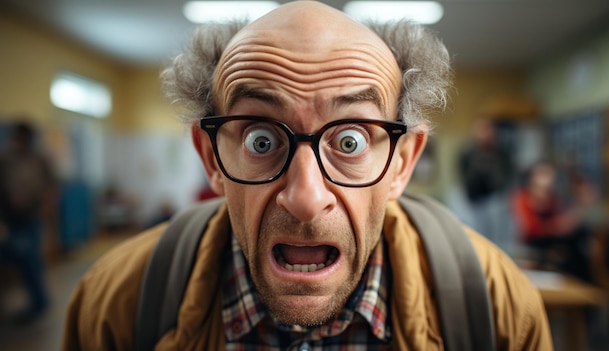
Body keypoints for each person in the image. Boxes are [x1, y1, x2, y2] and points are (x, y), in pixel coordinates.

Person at [62, 2, 552, 350]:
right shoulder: (116, 304)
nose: (305, 197)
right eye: (260, 139)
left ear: (402, 163)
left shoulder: (496, 306)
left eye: (350, 141)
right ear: (211, 158)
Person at [0, 120, 56, 323]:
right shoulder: (6, 159)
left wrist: (49, 219)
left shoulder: (39, 159)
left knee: (30, 259)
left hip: (32, 218)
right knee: (16, 258)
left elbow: (51, 188)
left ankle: (39, 303)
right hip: (10, 220)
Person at [511, 161, 595, 280]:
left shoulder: (552, 200)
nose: (549, 180)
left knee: (584, 237)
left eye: (551, 175)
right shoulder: (522, 198)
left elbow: (562, 224)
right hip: (534, 244)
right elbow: (532, 228)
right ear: (532, 177)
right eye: (544, 175)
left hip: (555, 243)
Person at [458, 117, 514, 249]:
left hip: (495, 200)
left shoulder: (500, 154)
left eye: (488, 130)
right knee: (475, 236)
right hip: (473, 200)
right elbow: (464, 175)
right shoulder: (468, 153)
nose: (485, 133)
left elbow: (505, 177)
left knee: (496, 238)